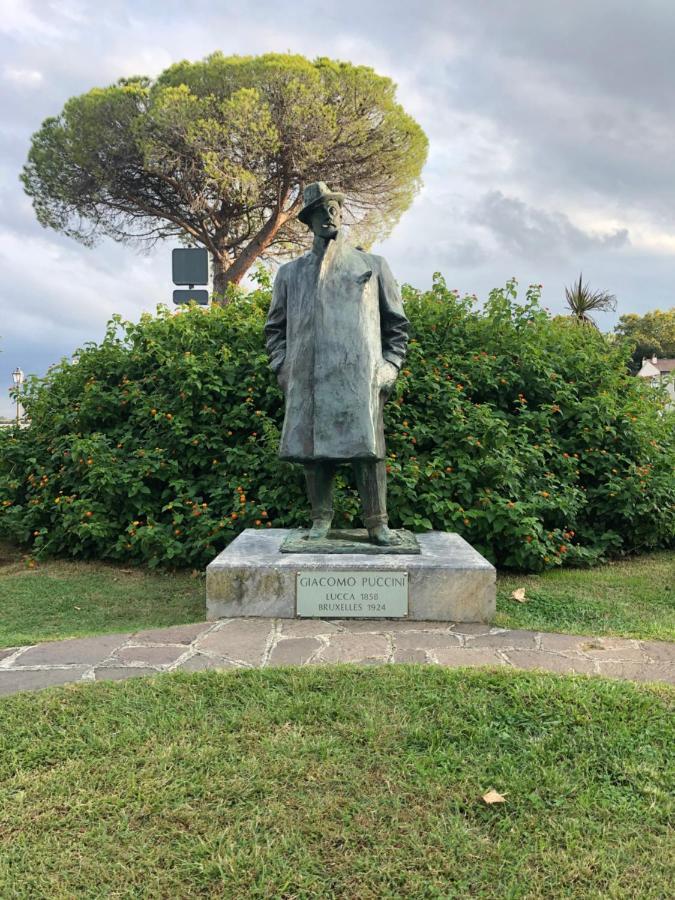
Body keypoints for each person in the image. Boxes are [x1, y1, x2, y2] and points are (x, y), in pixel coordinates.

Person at [264, 181, 409, 546]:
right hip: (307, 375)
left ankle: (377, 523)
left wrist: (389, 367)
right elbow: (274, 328)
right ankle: (320, 520)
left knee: (368, 451)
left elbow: (397, 325)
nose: (330, 217)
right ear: (309, 219)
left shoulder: (372, 266)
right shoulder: (290, 273)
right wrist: (283, 367)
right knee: (314, 452)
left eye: (335, 210)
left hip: (361, 377)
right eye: (322, 211)